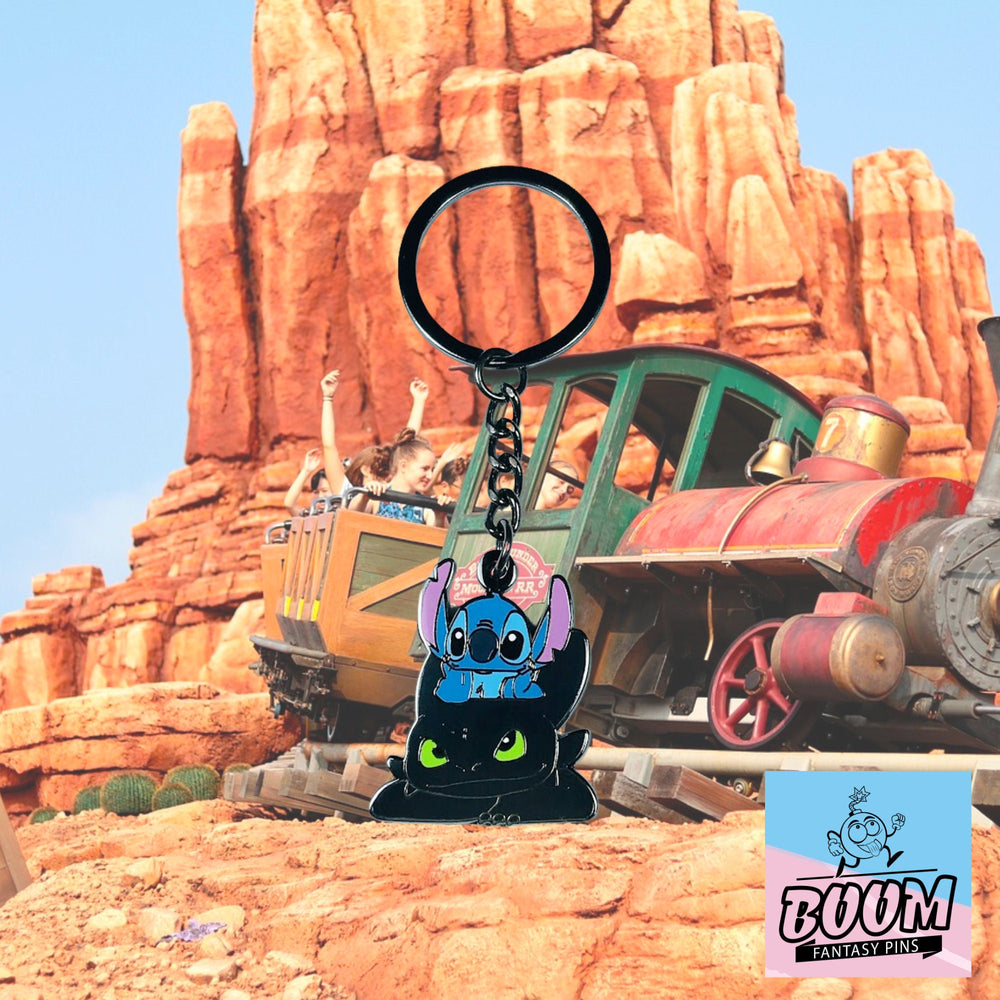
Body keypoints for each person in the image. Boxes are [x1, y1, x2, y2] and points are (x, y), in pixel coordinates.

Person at [349, 429, 448, 527]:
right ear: (403, 466)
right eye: (425, 469)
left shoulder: (425, 507)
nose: (430, 476)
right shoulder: (378, 496)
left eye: (432, 469)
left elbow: (439, 535)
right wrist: (365, 496)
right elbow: (350, 518)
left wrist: (440, 517)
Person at [283, 448, 332, 515]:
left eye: (325, 490)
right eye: (316, 492)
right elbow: (290, 504)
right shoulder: (313, 516)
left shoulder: (345, 512)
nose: (320, 496)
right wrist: (306, 470)